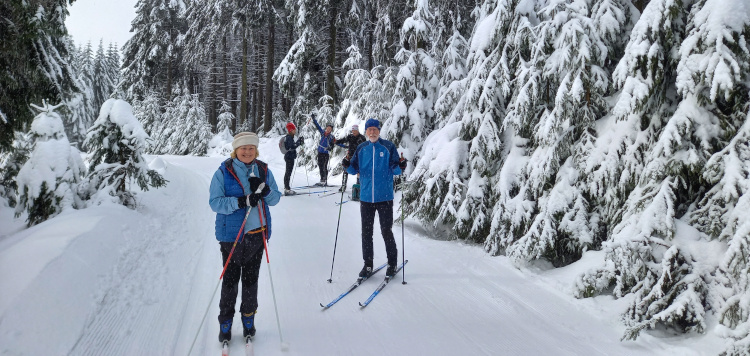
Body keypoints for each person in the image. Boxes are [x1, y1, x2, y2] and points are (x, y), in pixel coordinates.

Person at [209, 132, 282, 343]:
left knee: (251, 282)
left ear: (256, 150)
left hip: (257, 236)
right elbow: (215, 203)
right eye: (243, 148)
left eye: (251, 148)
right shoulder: (224, 171)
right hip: (232, 237)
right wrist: (242, 202)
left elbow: (275, 199)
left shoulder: (263, 170)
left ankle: (248, 319)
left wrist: (266, 190)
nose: (247, 151)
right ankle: (226, 323)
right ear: (236, 149)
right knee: (230, 282)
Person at [342, 119, 408, 278]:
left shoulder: (388, 147)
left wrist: (401, 166)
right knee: (366, 232)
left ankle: (392, 263)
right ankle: (368, 264)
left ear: (379, 131)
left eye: (375, 129)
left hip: (384, 197)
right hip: (365, 197)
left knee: (386, 231)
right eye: (369, 130)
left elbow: (395, 170)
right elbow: (353, 169)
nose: (372, 132)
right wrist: (346, 164)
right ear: (366, 132)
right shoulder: (361, 148)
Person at [336, 124, 366, 195]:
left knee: (359, 172)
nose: (353, 131)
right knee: (345, 169)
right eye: (352, 130)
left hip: (359, 158)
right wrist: (336, 141)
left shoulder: (362, 138)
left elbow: (365, 148)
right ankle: (343, 186)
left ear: (357, 130)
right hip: (350, 156)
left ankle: (358, 187)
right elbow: (343, 140)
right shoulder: (350, 136)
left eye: (355, 130)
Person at [311, 114, 338, 186]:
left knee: (324, 166)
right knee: (320, 166)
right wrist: (314, 119)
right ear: (326, 128)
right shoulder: (323, 133)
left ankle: (325, 180)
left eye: (330, 129)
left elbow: (336, 144)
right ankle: (322, 179)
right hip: (320, 152)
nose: (328, 129)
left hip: (326, 154)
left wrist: (331, 148)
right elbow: (318, 126)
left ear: (331, 130)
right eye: (328, 128)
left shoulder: (332, 137)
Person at [282, 122, 304, 196]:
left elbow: (292, 147)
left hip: (289, 157)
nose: (295, 130)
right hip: (289, 158)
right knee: (288, 173)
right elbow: (293, 146)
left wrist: (298, 142)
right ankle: (287, 189)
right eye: (294, 129)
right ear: (291, 130)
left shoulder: (289, 137)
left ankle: (287, 188)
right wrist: (299, 142)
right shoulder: (288, 137)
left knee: (288, 172)